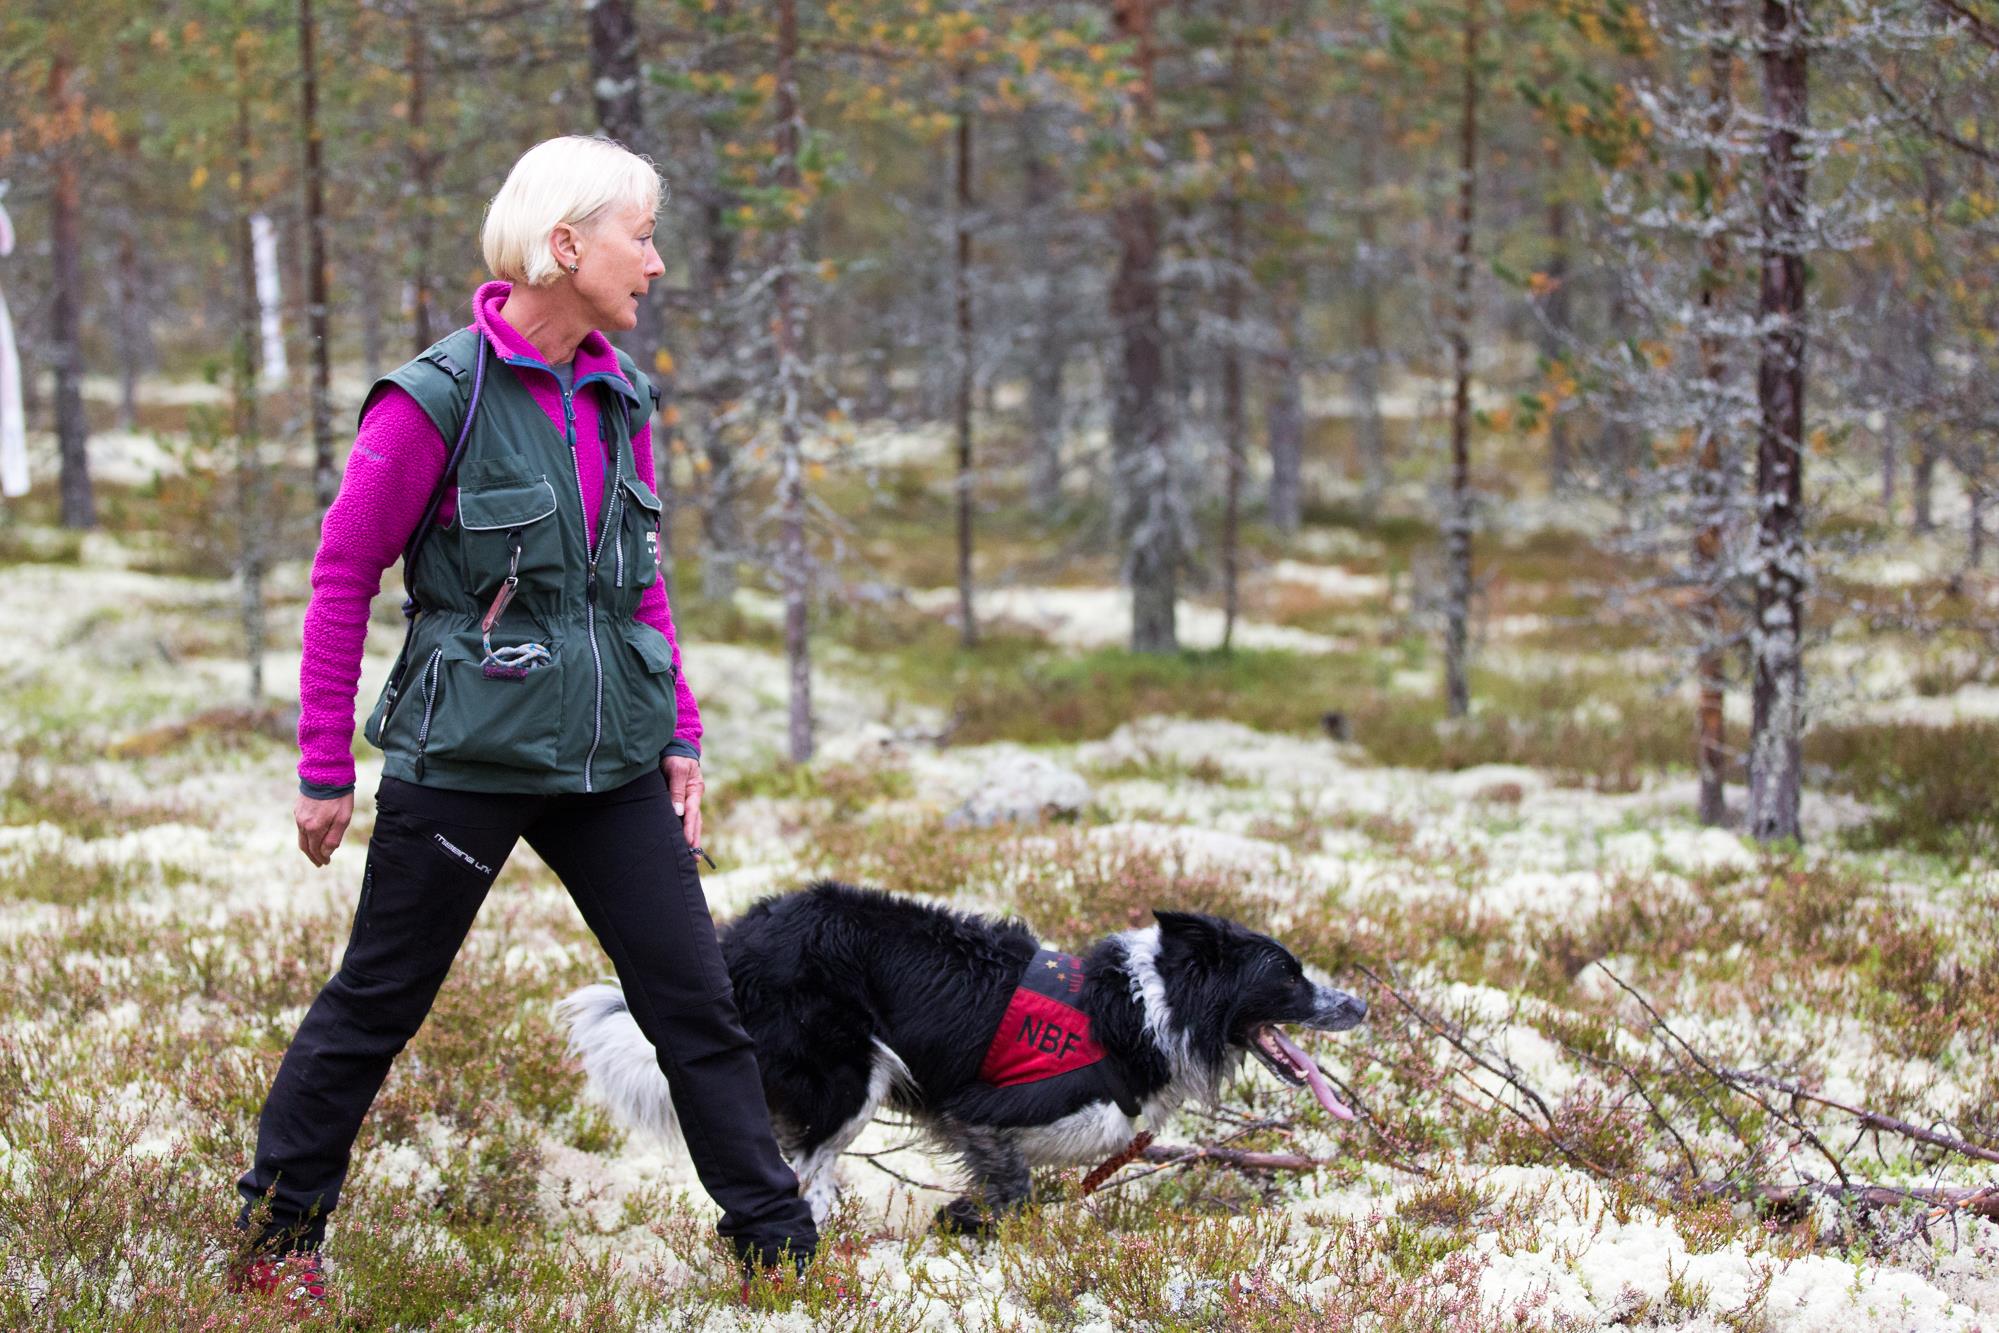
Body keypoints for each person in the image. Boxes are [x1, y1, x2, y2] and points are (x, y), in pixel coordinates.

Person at [233, 136, 817, 1308]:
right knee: (378, 1001)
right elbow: (343, 574)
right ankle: (275, 1243)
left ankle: (781, 1252)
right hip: (468, 756)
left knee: (695, 1005)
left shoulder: (621, 394)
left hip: (612, 762)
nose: (654, 262)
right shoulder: (433, 398)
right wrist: (322, 762)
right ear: (565, 245)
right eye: (637, 237)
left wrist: (682, 733)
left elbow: (639, 585)